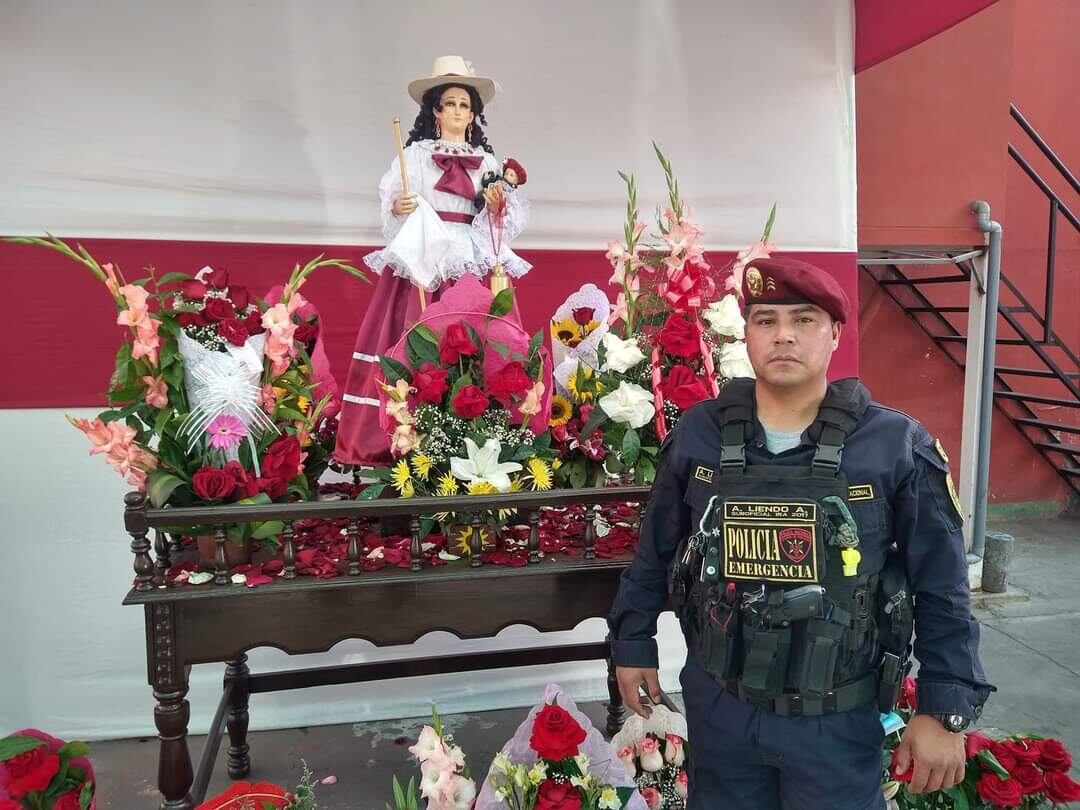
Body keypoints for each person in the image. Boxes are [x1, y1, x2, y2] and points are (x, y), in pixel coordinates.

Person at [608, 257, 993, 809]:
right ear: (746, 334)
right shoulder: (700, 434)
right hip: (722, 709)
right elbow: (655, 553)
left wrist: (942, 708)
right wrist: (633, 641)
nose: (783, 335)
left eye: (804, 319)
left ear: (835, 333)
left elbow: (942, 585)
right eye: (765, 320)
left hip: (835, 721)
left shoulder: (893, 445)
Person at [336, 55, 531, 467]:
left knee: (480, 344)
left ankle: (483, 444)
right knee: (420, 345)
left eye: (465, 104)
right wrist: (400, 205)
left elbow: (502, 222)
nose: (459, 111)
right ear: (436, 112)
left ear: (473, 114)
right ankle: (407, 450)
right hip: (427, 260)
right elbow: (391, 205)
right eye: (450, 103)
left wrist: (498, 207)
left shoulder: (489, 163)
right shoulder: (416, 157)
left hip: (472, 261)